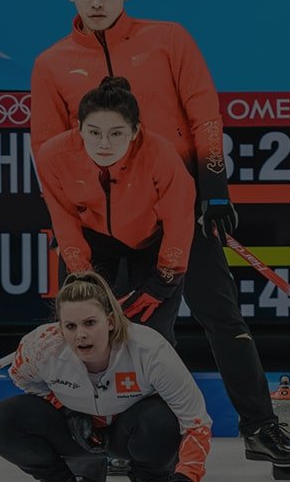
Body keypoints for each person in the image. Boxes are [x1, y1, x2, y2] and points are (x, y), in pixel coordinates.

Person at [29, 0, 290, 468]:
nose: (97, 2)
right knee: (99, 330)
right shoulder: (51, 64)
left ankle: (260, 427)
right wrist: (77, 251)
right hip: (102, 226)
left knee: (222, 316)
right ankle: (109, 442)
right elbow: (49, 153)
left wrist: (214, 185)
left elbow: (204, 113)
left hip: (179, 207)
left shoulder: (167, 40)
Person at [0, 270, 211, 482]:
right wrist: (65, 410)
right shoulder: (41, 347)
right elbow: (22, 378)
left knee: (161, 419)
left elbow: (196, 423)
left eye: (90, 323)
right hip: (76, 434)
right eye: (70, 326)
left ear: (110, 321)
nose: (80, 334)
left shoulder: (150, 351)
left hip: (131, 433)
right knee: (1, 419)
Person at [35, 75, 195, 347]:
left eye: (117, 133)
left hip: (150, 242)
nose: (104, 144)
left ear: (135, 131)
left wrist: (163, 281)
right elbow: (64, 219)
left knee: (152, 338)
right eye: (94, 132)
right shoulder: (53, 155)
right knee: (84, 332)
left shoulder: (161, 154)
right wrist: (82, 277)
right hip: (91, 239)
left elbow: (179, 219)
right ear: (79, 128)